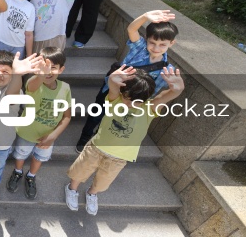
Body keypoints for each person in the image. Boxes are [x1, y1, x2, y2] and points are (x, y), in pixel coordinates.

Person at [65, 65, 184, 216]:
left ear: (146, 99)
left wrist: (177, 89)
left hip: (119, 158)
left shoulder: (149, 108)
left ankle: (92, 193)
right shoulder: (114, 100)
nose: (130, 105)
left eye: (137, 102)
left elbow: (166, 96)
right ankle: (72, 188)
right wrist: (114, 79)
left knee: (103, 181)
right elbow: (113, 87)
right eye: (127, 99)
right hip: (97, 148)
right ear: (122, 93)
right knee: (80, 171)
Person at [75, 10, 178, 152]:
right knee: (97, 113)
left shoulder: (167, 69)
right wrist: (145, 16)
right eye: (152, 42)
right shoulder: (140, 48)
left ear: (171, 43)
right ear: (146, 39)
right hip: (111, 89)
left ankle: (99, 138)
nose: (156, 48)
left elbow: (153, 92)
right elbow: (132, 29)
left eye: (162, 45)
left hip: (130, 100)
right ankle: (84, 137)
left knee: (112, 118)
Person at [0, 50, 43, 202]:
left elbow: (12, 94)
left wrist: (18, 75)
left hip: (0, 145)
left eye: (6, 71)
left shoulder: (13, 92)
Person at [6, 47, 72, 199]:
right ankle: (17, 172)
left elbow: (67, 116)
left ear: (61, 69)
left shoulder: (65, 88)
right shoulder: (33, 82)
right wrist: (41, 74)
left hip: (48, 137)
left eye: (52, 68)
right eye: (43, 67)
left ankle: (31, 175)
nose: (47, 71)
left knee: (40, 157)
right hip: (26, 133)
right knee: (21, 154)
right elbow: (35, 84)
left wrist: (53, 136)